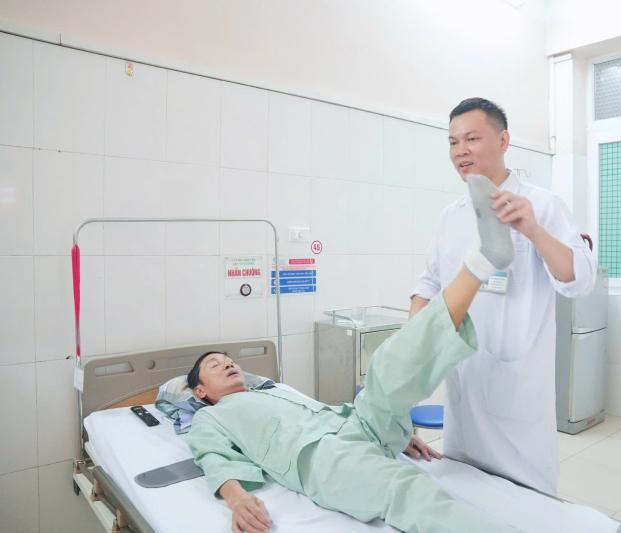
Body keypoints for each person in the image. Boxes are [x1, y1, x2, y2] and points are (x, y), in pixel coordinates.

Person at [185, 177, 524, 533]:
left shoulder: (273, 389)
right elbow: (212, 456)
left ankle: (484, 260)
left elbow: (320, 410)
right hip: (322, 458)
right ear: (200, 390)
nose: (227, 363)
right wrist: (237, 498)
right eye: (214, 365)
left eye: (229, 359)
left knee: (388, 364)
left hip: (355, 421)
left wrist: (393, 427)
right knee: (407, 491)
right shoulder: (211, 417)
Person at [409, 98, 597, 496]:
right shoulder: (450, 216)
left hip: (518, 398)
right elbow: (428, 285)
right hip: (463, 390)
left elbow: (579, 280)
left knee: (525, 505)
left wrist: (533, 231)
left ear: (503, 140)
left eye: (472, 139)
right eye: (453, 142)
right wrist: (411, 351)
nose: (460, 151)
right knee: (465, 498)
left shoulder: (542, 205)